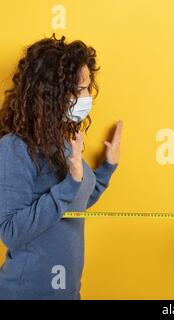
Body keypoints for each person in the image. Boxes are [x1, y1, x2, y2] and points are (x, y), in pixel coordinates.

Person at [0, 34, 123, 299]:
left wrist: (106, 169)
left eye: (88, 87)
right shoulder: (15, 148)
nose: (87, 96)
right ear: (51, 94)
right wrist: (69, 183)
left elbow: (75, 202)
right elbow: (10, 231)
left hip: (67, 292)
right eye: (80, 90)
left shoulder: (64, 142)